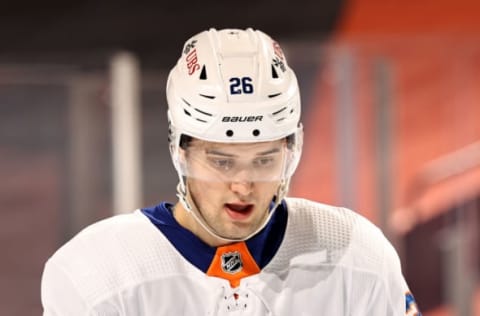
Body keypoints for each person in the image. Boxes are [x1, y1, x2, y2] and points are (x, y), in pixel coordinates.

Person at [41, 28, 421, 315]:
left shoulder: (356, 254)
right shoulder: (98, 273)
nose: (243, 185)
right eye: (221, 162)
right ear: (181, 151)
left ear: (291, 151)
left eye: (263, 160)